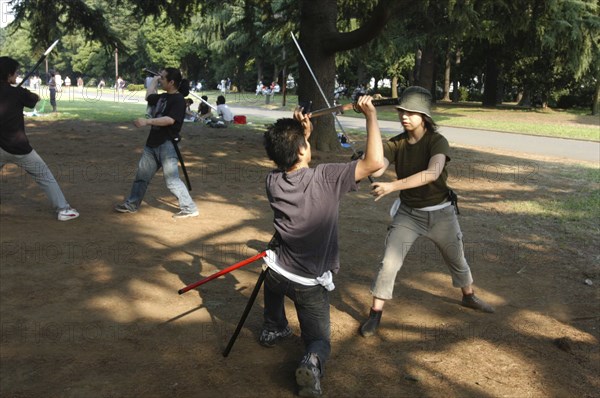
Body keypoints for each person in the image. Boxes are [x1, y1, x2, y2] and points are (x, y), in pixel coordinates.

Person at [260, 96, 384, 397]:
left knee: (271, 275)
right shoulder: (326, 178)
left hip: (276, 273)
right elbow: (375, 163)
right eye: (304, 143)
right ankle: (312, 363)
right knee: (320, 341)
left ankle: (273, 325)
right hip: (307, 282)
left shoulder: (272, 180)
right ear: (302, 148)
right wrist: (370, 116)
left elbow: (293, 158)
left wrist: (302, 135)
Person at [359, 86, 495, 339]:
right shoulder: (396, 143)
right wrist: (371, 118)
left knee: (457, 258)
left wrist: (393, 186)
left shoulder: (437, 141)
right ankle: (375, 313)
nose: (405, 116)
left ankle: (469, 296)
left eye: (411, 112)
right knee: (389, 262)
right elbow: (376, 170)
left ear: (424, 116)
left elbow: (433, 173)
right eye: (402, 111)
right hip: (409, 215)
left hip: (441, 214)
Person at [0, 57, 79, 221]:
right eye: (15, 72)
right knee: (44, 176)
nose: (17, 75)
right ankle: (63, 209)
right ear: (9, 75)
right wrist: (18, 92)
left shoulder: (16, 92)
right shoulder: (18, 92)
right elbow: (34, 99)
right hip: (18, 147)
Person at [114, 67, 198, 219]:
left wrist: (147, 121)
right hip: (152, 143)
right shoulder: (163, 97)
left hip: (167, 145)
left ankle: (189, 208)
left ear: (171, 82)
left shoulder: (179, 100)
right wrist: (153, 80)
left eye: (163, 78)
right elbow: (148, 96)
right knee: (142, 176)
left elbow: (169, 120)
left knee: (172, 181)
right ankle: (132, 205)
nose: (161, 80)